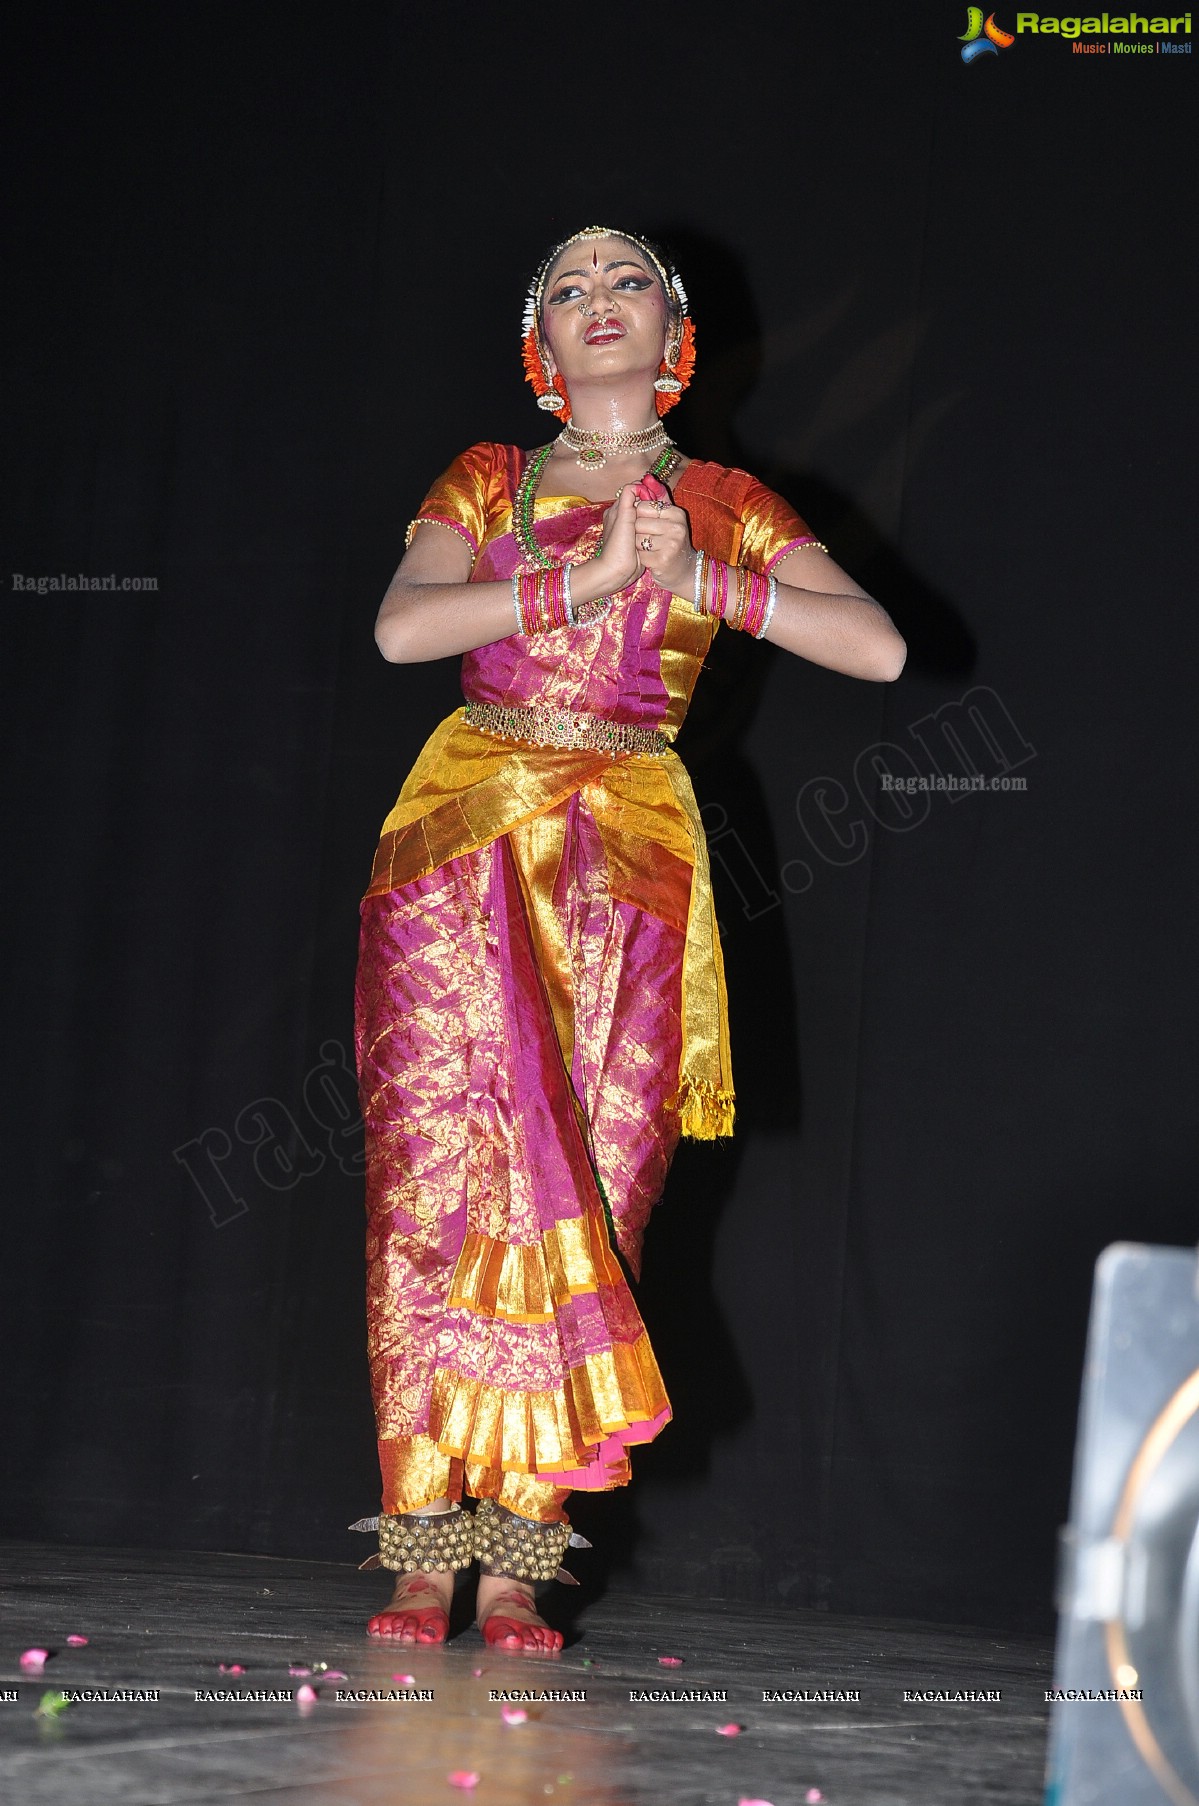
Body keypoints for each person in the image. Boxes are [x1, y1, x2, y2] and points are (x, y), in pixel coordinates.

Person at [352, 226, 906, 1654]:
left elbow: (881, 649)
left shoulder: (723, 498)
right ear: (543, 346)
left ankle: (521, 1553)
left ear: (677, 338)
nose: (600, 302)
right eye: (569, 289)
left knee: (598, 1186)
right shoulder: (492, 476)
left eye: (629, 283)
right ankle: (425, 1546)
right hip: (464, 834)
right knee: (437, 1184)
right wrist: (578, 586)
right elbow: (404, 628)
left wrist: (702, 579)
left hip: (633, 857)